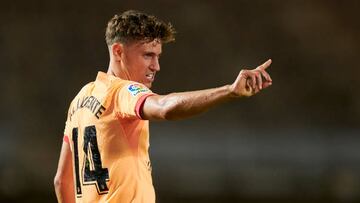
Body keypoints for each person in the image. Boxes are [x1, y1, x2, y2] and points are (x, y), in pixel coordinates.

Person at [54, 10, 272, 203]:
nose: (156, 66)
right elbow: (164, 107)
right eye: (148, 55)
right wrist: (229, 91)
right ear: (118, 52)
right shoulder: (123, 92)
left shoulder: (80, 100)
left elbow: (61, 181)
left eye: (157, 56)